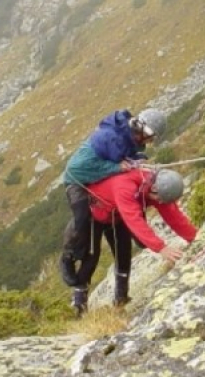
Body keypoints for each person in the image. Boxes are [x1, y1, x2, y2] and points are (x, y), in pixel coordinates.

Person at [60, 108, 167, 313]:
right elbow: (78, 169)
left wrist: (136, 163)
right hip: (78, 182)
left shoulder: (130, 140)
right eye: (151, 136)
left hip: (105, 194)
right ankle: (69, 262)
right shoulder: (109, 138)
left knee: (122, 245)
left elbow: (126, 166)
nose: (151, 141)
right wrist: (117, 169)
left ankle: (121, 298)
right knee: (84, 230)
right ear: (144, 129)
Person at [67, 167, 197, 316]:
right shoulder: (125, 186)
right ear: (154, 189)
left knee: (123, 253)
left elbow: (174, 217)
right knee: (90, 257)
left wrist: (195, 237)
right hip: (95, 215)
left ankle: (120, 301)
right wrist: (161, 248)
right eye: (159, 198)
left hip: (116, 215)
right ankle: (79, 305)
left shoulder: (157, 189)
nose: (160, 202)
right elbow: (134, 220)